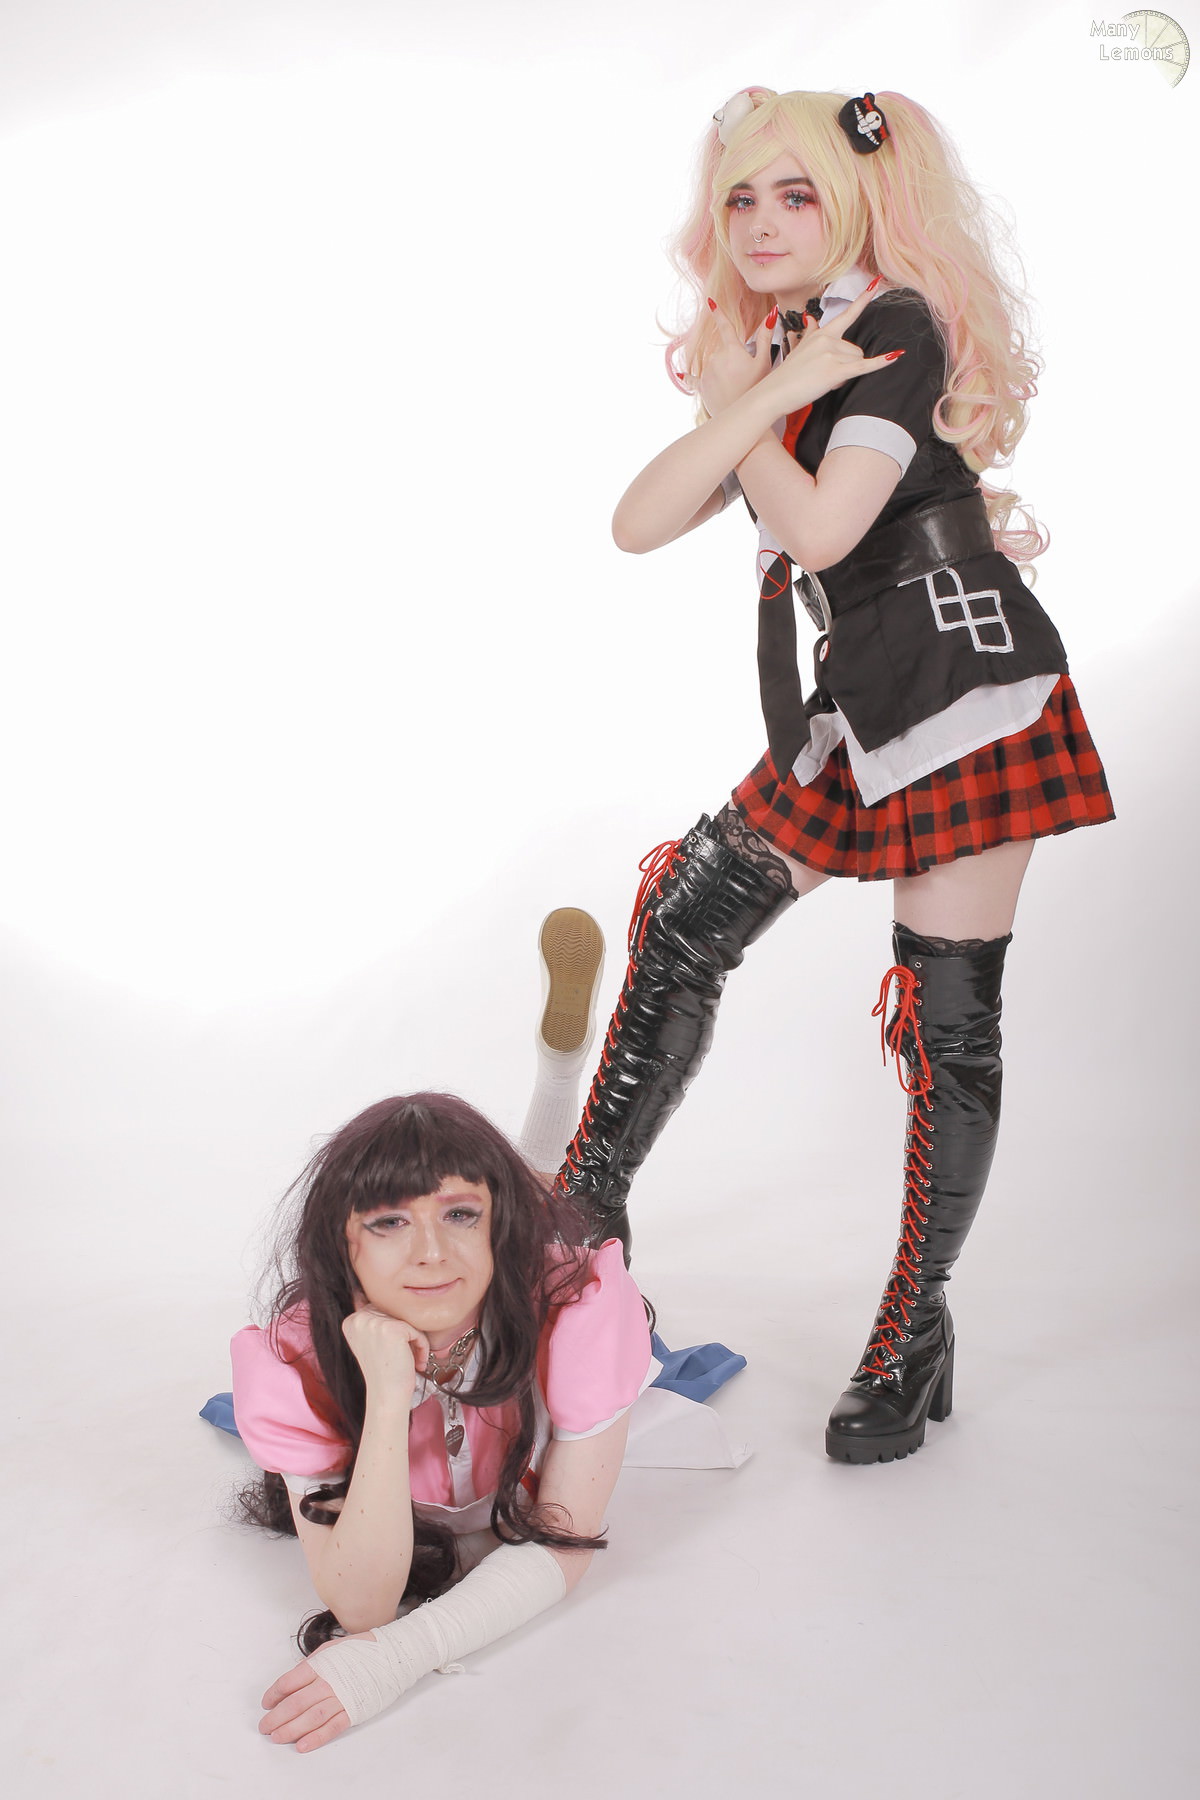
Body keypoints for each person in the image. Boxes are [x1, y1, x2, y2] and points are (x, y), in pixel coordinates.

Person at [551, 87, 1114, 1465]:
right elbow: (634, 525)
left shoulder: (889, 328)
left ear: (854, 203)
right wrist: (755, 389)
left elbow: (816, 527)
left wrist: (760, 400)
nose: (761, 222)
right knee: (685, 916)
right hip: (860, 701)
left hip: (966, 693)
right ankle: (578, 1244)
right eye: (741, 197)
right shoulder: (781, 347)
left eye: (795, 195)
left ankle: (911, 1333)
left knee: (944, 1026)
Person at [234, 1088, 653, 1753]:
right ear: (341, 1246)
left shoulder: (578, 1312)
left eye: (460, 1214)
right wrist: (386, 1396)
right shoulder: (294, 1362)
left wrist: (402, 1655)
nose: (431, 1251)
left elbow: (564, 1541)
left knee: (565, 1199)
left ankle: (557, 1084)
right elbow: (363, 1606)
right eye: (388, 1221)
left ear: (497, 1225)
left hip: (527, 1296)